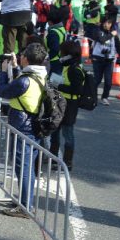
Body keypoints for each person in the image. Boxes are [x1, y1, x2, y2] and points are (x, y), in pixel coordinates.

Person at [0, 43, 50, 218]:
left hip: (23, 128)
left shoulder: (25, 80)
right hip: (33, 127)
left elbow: (2, 91)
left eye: (22, 55)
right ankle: (25, 201)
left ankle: (26, 206)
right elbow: (23, 85)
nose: (20, 56)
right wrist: (15, 67)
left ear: (27, 58)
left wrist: (4, 71)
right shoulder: (38, 75)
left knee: (23, 167)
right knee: (27, 167)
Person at [50, 41, 85, 171]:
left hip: (70, 105)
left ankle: (67, 162)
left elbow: (77, 90)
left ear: (68, 54)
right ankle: (52, 158)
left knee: (67, 133)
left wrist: (58, 85)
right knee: (54, 131)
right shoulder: (67, 66)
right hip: (61, 101)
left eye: (62, 52)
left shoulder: (75, 69)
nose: (60, 54)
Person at [88, 17, 120, 105]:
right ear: (102, 23)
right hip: (97, 59)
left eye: (109, 23)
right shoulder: (97, 31)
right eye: (105, 23)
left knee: (108, 81)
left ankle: (105, 97)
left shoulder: (113, 33)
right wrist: (111, 35)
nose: (107, 25)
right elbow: (102, 39)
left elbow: (118, 46)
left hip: (109, 60)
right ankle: (92, 96)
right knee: (97, 80)